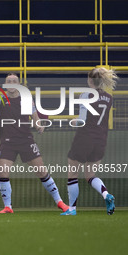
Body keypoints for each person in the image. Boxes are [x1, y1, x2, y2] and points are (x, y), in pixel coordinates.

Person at [0, 73, 69, 214]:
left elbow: (35, 118)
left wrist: (39, 125)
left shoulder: (26, 99)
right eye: (8, 81)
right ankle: (8, 207)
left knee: (42, 171)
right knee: (3, 172)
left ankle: (60, 202)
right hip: (7, 141)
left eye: (14, 81)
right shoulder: (1, 97)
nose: (11, 83)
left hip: (25, 140)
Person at [61, 67, 117, 216]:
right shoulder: (109, 98)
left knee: (73, 174)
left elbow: (83, 120)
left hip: (85, 137)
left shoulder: (86, 95)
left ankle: (72, 209)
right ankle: (106, 195)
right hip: (101, 139)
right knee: (90, 175)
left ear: (90, 80)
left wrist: (73, 121)